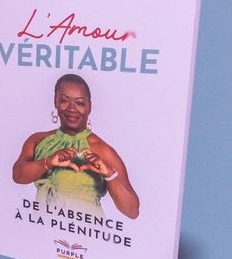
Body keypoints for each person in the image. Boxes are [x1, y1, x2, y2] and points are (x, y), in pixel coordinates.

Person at [12, 74, 140, 219]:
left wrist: (109, 174)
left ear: (89, 106)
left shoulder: (103, 150)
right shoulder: (38, 140)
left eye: (79, 103)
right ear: (55, 101)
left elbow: (132, 211)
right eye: (64, 100)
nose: (71, 109)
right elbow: (18, 176)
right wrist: (48, 162)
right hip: (43, 226)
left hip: (86, 230)